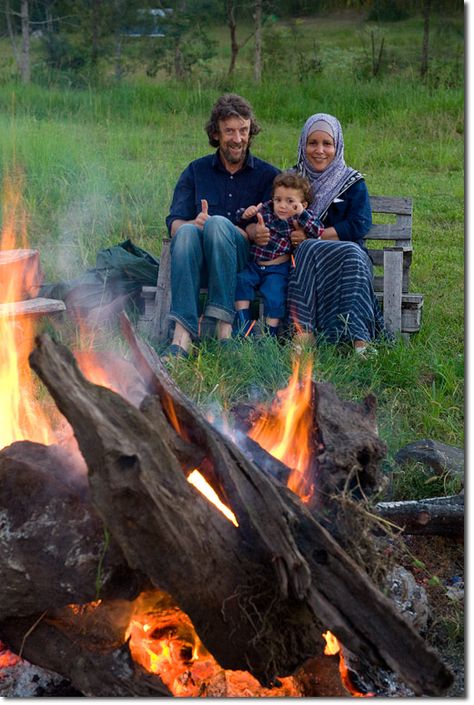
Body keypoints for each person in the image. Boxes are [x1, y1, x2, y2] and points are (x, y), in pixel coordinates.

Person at [254, 112, 385, 352]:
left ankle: (360, 343)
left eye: (327, 143)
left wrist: (315, 236)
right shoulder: (289, 180)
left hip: (345, 258)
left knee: (350, 254)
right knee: (306, 250)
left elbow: (358, 224)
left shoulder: (352, 182)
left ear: (338, 146)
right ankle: (303, 338)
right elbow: (269, 212)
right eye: (312, 143)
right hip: (305, 261)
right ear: (303, 145)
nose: (319, 150)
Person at [163, 94, 280, 359]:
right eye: (229, 131)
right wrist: (194, 223)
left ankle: (224, 329)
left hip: (242, 265)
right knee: (187, 232)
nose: (238, 139)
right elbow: (174, 223)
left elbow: (273, 229)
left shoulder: (268, 176)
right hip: (197, 262)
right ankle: (182, 335)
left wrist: (248, 232)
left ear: (251, 133)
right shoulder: (196, 171)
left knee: (217, 224)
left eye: (244, 131)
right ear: (216, 134)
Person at [234, 171, 323, 337]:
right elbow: (242, 218)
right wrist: (246, 214)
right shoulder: (267, 210)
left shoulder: (300, 218)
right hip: (255, 264)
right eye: (278, 200)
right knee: (241, 282)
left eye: (290, 201)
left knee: (275, 295)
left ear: (303, 204)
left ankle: (269, 335)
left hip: (278, 269)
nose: (282, 206)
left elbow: (318, 230)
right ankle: (243, 324)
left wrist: (301, 213)